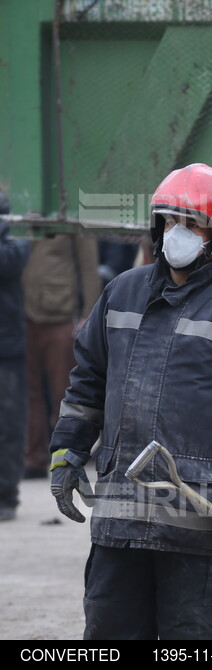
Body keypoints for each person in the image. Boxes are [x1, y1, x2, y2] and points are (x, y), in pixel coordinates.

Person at [48, 163, 212, 640]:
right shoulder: (121, 294)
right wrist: (67, 454)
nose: (176, 233)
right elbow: (86, 386)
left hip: (198, 532)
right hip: (119, 525)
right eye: (168, 221)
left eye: (191, 223)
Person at [22, 224, 100, 479]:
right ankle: (33, 458)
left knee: (63, 393)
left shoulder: (68, 218)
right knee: (27, 394)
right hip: (24, 314)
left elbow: (89, 267)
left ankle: (67, 456)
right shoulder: (20, 211)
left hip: (60, 315)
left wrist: (89, 315)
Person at [0, 191, 31, 521]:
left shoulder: (16, 226)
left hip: (7, 345)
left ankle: (6, 493)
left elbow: (9, 261)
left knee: (8, 423)